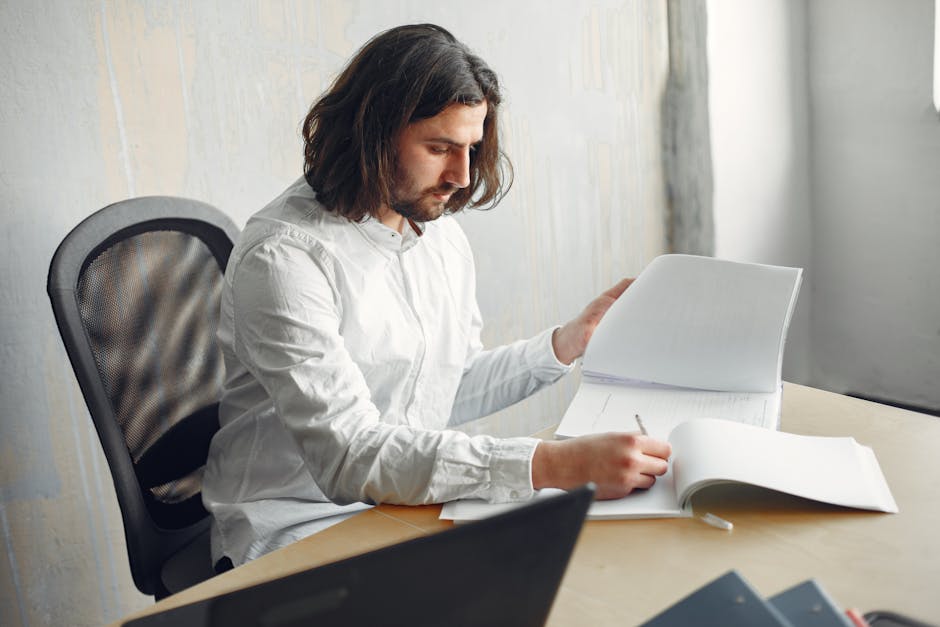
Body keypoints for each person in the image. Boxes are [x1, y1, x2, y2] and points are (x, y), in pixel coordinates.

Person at [202, 23, 672, 570]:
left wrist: (566, 344)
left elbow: (439, 388)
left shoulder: (436, 232)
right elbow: (350, 456)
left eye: (471, 148)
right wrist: (552, 464)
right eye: (439, 148)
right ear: (372, 134)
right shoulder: (284, 258)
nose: (462, 175)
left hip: (404, 506)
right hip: (296, 527)